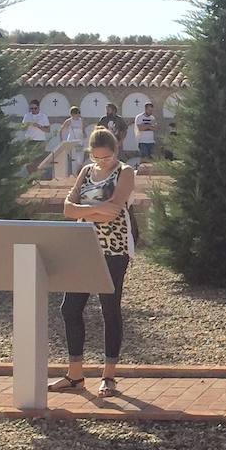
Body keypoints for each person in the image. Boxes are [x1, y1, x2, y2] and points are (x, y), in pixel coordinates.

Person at [48, 128, 135, 398]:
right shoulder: (86, 171)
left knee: (110, 308)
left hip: (114, 248)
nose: (102, 162)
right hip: (83, 245)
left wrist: (82, 211)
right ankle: (75, 374)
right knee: (70, 308)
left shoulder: (125, 172)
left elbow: (114, 210)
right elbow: (67, 208)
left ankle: (109, 376)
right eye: (97, 158)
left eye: (106, 157)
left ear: (115, 152)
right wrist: (90, 211)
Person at [22, 99, 51, 174]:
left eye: (35, 108)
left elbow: (48, 130)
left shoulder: (43, 116)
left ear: (38, 108)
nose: (33, 110)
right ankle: (31, 178)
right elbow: (23, 128)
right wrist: (28, 124)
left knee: (39, 160)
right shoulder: (27, 116)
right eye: (31, 108)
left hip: (40, 141)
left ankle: (37, 178)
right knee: (29, 160)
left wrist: (38, 126)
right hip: (29, 141)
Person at [59, 106, 86, 174]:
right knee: (73, 158)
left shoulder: (81, 120)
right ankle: (73, 174)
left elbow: (83, 130)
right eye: (75, 113)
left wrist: (84, 135)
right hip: (71, 141)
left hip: (79, 141)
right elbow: (62, 130)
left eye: (77, 113)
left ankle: (78, 173)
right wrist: (62, 140)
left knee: (80, 159)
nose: (77, 115)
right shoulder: (69, 121)